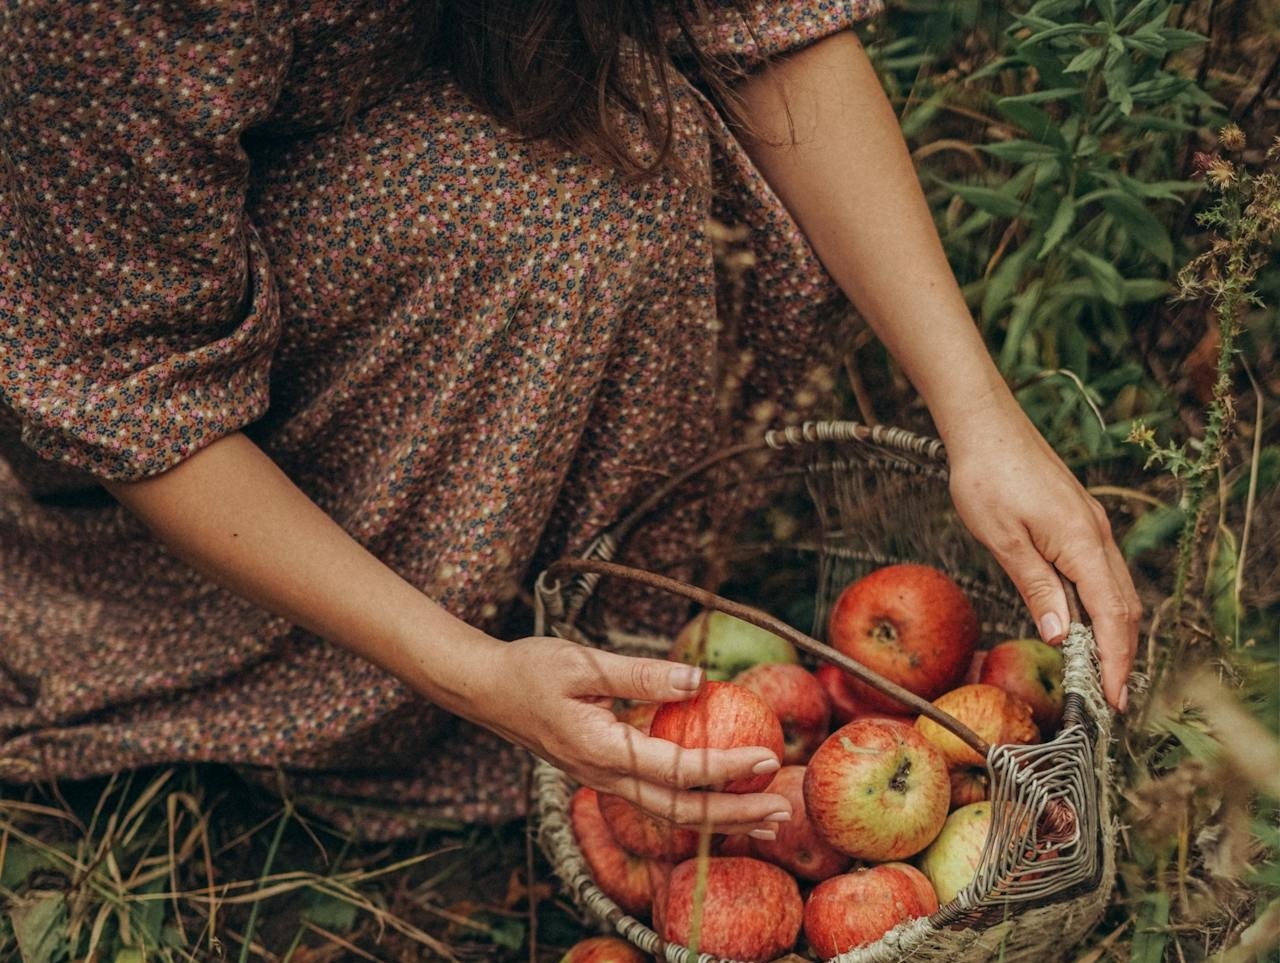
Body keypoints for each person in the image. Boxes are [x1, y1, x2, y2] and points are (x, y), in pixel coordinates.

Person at [0, 1, 1140, 841]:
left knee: (609, 157)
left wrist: (979, 418)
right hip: (123, 286)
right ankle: (361, 695)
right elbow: (130, 384)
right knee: (533, 211)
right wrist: (464, 673)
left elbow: (762, 25)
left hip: (399, 125)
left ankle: (572, 630)